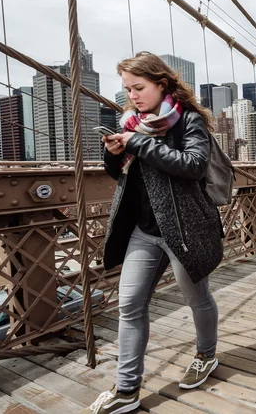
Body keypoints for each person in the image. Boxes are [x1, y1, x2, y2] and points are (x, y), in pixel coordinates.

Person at [90, 52, 223, 414]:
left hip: (184, 231)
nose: (131, 95)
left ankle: (206, 355)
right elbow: (124, 177)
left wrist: (135, 143)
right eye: (127, 89)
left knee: (197, 299)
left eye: (138, 87)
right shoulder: (131, 122)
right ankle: (127, 389)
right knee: (129, 306)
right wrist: (114, 153)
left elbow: (194, 166)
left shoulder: (187, 121)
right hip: (143, 231)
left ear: (161, 84)